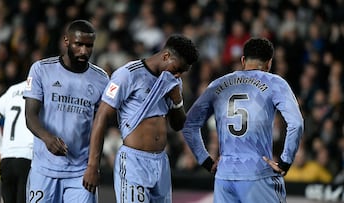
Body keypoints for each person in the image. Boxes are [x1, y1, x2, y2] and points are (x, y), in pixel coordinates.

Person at [182, 37, 304, 203]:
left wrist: (205, 160)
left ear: (243, 60)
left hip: (224, 176)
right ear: (269, 63)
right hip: (257, 173)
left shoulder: (218, 84)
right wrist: (285, 161)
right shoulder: (275, 83)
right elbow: (296, 123)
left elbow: (189, 125)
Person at [83, 34, 199, 202]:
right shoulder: (128, 74)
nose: (178, 75)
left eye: (182, 72)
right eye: (177, 69)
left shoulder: (173, 82)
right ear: (166, 56)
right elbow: (101, 117)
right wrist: (93, 165)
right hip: (133, 162)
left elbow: (178, 124)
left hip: (161, 162)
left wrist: (177, 100)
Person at [23, 20, 109, 203]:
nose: (84, 51)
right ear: (66, 41)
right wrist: (47, 138)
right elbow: (30, 116)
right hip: (44, 169)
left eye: (89, 46)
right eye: (79, 44)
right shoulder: (41, 69)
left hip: (80, 172)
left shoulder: (101, 79)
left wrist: (94, 166)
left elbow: (100, 126)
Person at [0, 80, 33, 203]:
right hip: (28, 156)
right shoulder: (43, 90)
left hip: (7, 159)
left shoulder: (13, 90)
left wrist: (2, 149)